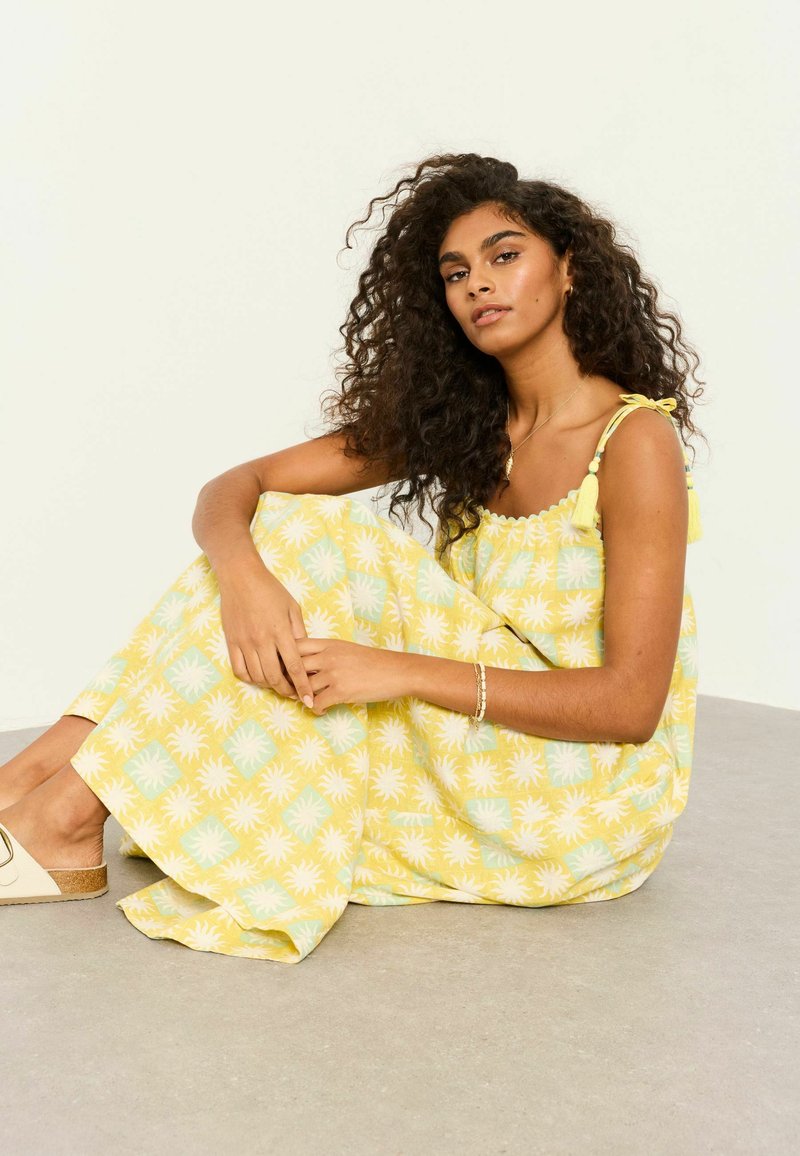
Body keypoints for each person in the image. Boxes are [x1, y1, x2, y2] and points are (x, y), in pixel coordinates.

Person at [0, 153, 705, 963]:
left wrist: (397, 670)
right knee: (283, 529)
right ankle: (31, 789)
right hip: (478, 747)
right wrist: (245, 582)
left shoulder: (633, 440)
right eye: (455, 273)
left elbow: (630, 707)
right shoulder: (469, 426)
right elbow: (235, 489)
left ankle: (60, 812)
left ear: (570, 268)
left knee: (326, 537)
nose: (478, 283)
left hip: (582, 800)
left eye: (505, 256)